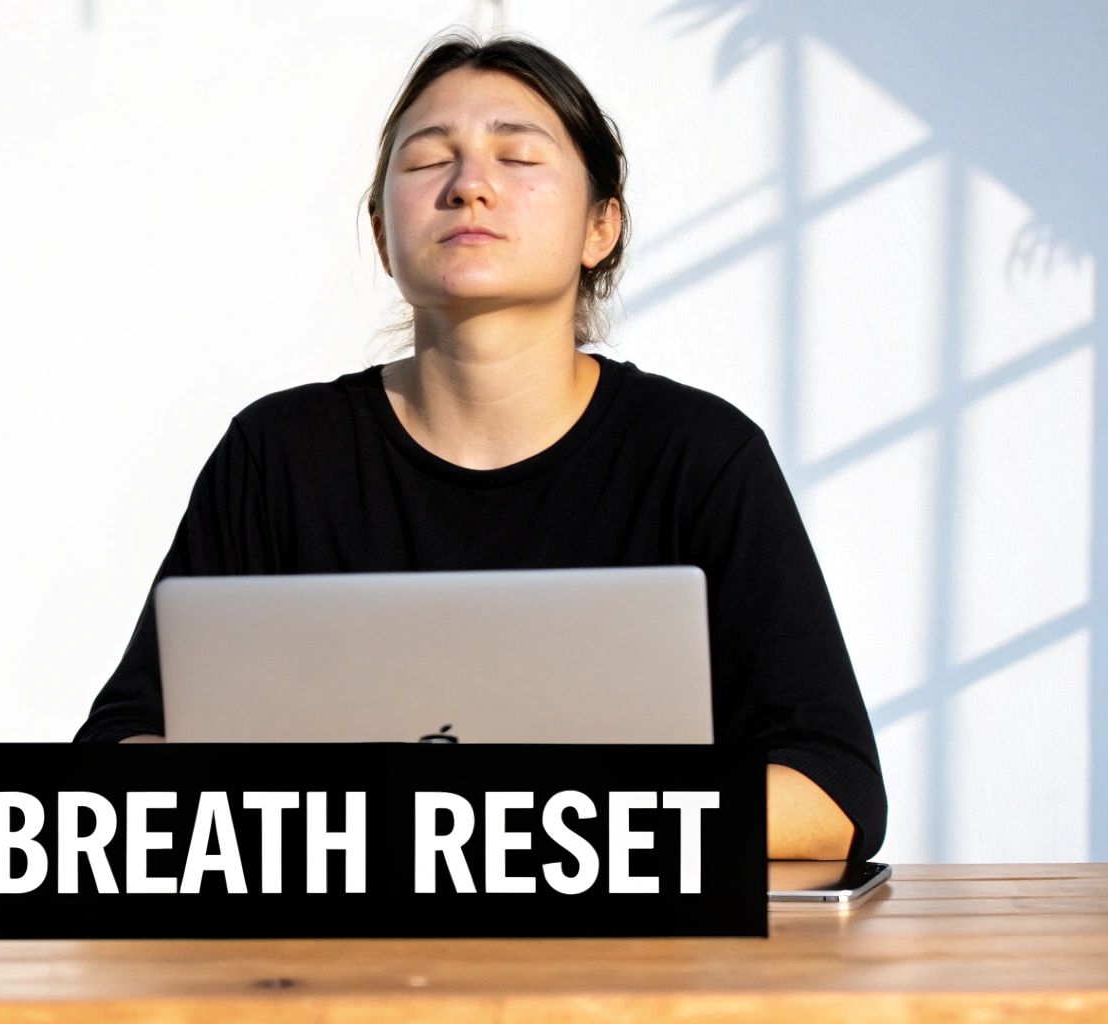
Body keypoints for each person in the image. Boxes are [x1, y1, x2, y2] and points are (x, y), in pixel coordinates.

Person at [75, 31, 887, 863]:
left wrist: (507, 829)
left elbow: (832, 793)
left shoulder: (699, 454)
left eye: (518, 157)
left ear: (600, 226)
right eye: (429, 161)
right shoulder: (277, 455)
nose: (470, 186)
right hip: (332, 968)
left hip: (629, 972)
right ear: (384, 236)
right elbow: (114, 754)